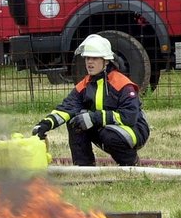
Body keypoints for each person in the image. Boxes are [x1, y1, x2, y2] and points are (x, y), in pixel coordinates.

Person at [32, 34, 150, 166]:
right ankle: (85, 167)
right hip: (107, 127)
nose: (89, 62)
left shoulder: (122, 84)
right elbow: (67, 108)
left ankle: (131, 163)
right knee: (75, 122)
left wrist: (94, 118)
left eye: (94, 58)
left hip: (134, 129)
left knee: (108, 135)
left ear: (106, 61)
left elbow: (129, 117)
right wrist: (45, 124)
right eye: (87, 58)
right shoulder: (85, 84)